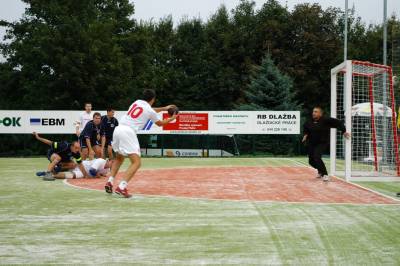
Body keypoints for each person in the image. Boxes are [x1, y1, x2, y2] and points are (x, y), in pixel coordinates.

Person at [104, 89, 178, 198]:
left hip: (118, 129)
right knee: (136, 162)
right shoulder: (149, 110)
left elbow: (149, 110)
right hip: (128, 132)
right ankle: (122, 187)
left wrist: (164, 108)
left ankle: (110, 181)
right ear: (153, 99)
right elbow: (160, 123)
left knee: (119, 158)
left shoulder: (136, 102)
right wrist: (171, 118)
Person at [302, 106, 350, 182]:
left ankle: (325, 174)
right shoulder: (309, 121)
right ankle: (320, 171)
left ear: (320, 114)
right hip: (312, 143)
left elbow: (339, 123)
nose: (313, 113)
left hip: (322, 143)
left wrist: (343, 131)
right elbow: (306, 129)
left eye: (316, 112)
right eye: (313, 111)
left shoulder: (326, 120)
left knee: (317, 156)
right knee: (311, 161)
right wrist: (305, 135)